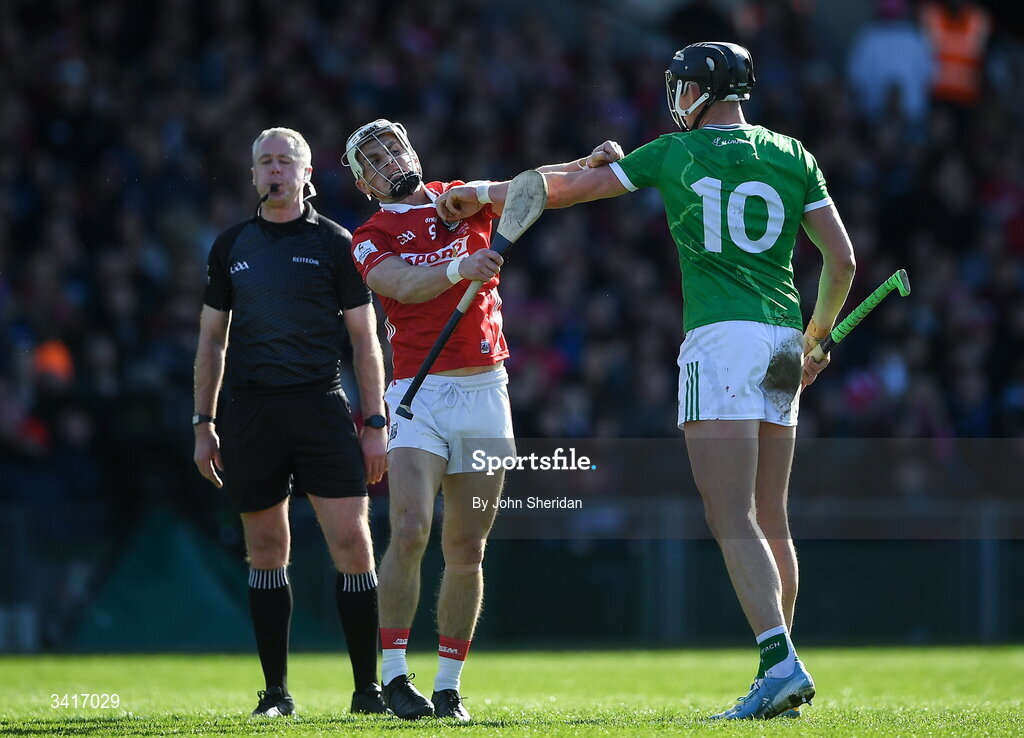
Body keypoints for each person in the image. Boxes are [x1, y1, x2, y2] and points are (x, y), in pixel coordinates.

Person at [437, 42, 856, 720]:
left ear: (710, 87)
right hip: (782, 337)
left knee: (731, 516)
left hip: (720, 341)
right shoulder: (793, 153)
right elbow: (841, 260)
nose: (678, 98)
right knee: (771, 516)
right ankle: (784, 664)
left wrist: (480, 193)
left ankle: (779, 662)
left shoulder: (672, 152)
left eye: (686, 86)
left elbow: (565, 190)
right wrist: (816, 337)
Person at [343, 118, 617, 722]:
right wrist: (456, 272)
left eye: (394, 146)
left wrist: (587, 162)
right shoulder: (370, 233)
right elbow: (398, 284)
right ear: (365, 182)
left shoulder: (459, 198)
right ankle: (392, 676)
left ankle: (448, 686)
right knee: (411, 530)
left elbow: (531, 187)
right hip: (418, 392)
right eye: (375, 159)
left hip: (487, 392)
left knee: (467, 546)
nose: (390, 160)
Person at [193, 127, 389, 718]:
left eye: (286, 161)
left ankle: (368, 691)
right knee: (266, 547)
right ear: (253, 175)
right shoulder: (231, 246)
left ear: (307, 174)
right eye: (265, 162)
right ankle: (276, 693)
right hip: (251, 412)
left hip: (322, 406)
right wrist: (203, 422)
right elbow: (210, 342)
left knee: (353, 544)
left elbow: (366, 340)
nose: (274, 171)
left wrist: (374, 420)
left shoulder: (336, 243)